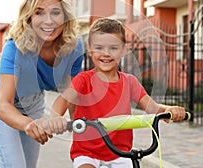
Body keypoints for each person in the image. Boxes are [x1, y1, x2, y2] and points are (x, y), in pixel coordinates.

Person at [47, 17, 187, 168]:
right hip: (87, 152)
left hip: (120, 153)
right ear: (90, 49)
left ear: (123, 50)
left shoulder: (130, 82)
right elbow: (62, 102)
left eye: (113, 48)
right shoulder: (83, 80)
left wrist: (169, 110)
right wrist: (56, 118)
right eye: (99, 48)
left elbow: (152, 108)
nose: (106, 53)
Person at [0, 0, 84, 168]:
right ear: (28, 17)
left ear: (65, 16)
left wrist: (80, 132)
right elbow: (4, 106)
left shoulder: (74, 47)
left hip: (34, 101)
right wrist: (28, 124)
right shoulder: (14, 47)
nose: (49, 21)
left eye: (55, 12)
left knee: (28, 165)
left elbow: (71, 93)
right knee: (14, 165)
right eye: (39, 12)